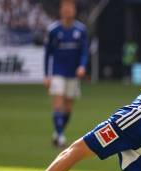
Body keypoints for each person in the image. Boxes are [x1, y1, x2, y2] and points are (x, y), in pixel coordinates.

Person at [44, 0, 88, 148]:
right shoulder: (53, 30)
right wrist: (46, 74)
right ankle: (61, 137)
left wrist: (82, 66)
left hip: (73, 74)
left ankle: (57, 133)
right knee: (57, 105)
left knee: (68, 109)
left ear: (74, 10)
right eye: (65, 7)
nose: (68, 10)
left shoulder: (81, 30)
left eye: (71, 7)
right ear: (61, 10)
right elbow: (47, 54)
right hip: (58, 72)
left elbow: (84, 52)